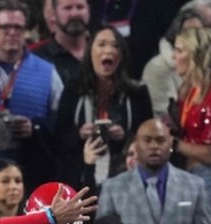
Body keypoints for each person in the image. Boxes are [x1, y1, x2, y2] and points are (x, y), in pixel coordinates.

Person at [0, 0, 63, 190]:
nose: (12, 33)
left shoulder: (48, 72)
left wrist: (34, 127)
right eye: (5, 27)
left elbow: (62, 121)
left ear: (26, 31)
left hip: (29, 176)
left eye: (18, 27)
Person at [55, 25, 152, 189]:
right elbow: (58, 139)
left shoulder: (137, 92)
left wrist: (126, 137)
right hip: (80, 177)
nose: (108, 50)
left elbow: (147, 137)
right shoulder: (74, 89)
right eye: (101, 44)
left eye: (115, 46)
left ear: (121, 55)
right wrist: (79, 134)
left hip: (125, 179)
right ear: (90, 52)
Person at [170, 27, 211, 222]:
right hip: (191, 175)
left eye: (180, 50)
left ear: (196, 56)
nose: (174, 56)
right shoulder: (191, 92)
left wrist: (174, 144)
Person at [32, 0, 89, 87]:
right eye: (68, 8)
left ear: (88, 11)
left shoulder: (106, 51)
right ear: (53, 15)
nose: (75, 14)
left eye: (80, 7)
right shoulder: (37, 59)